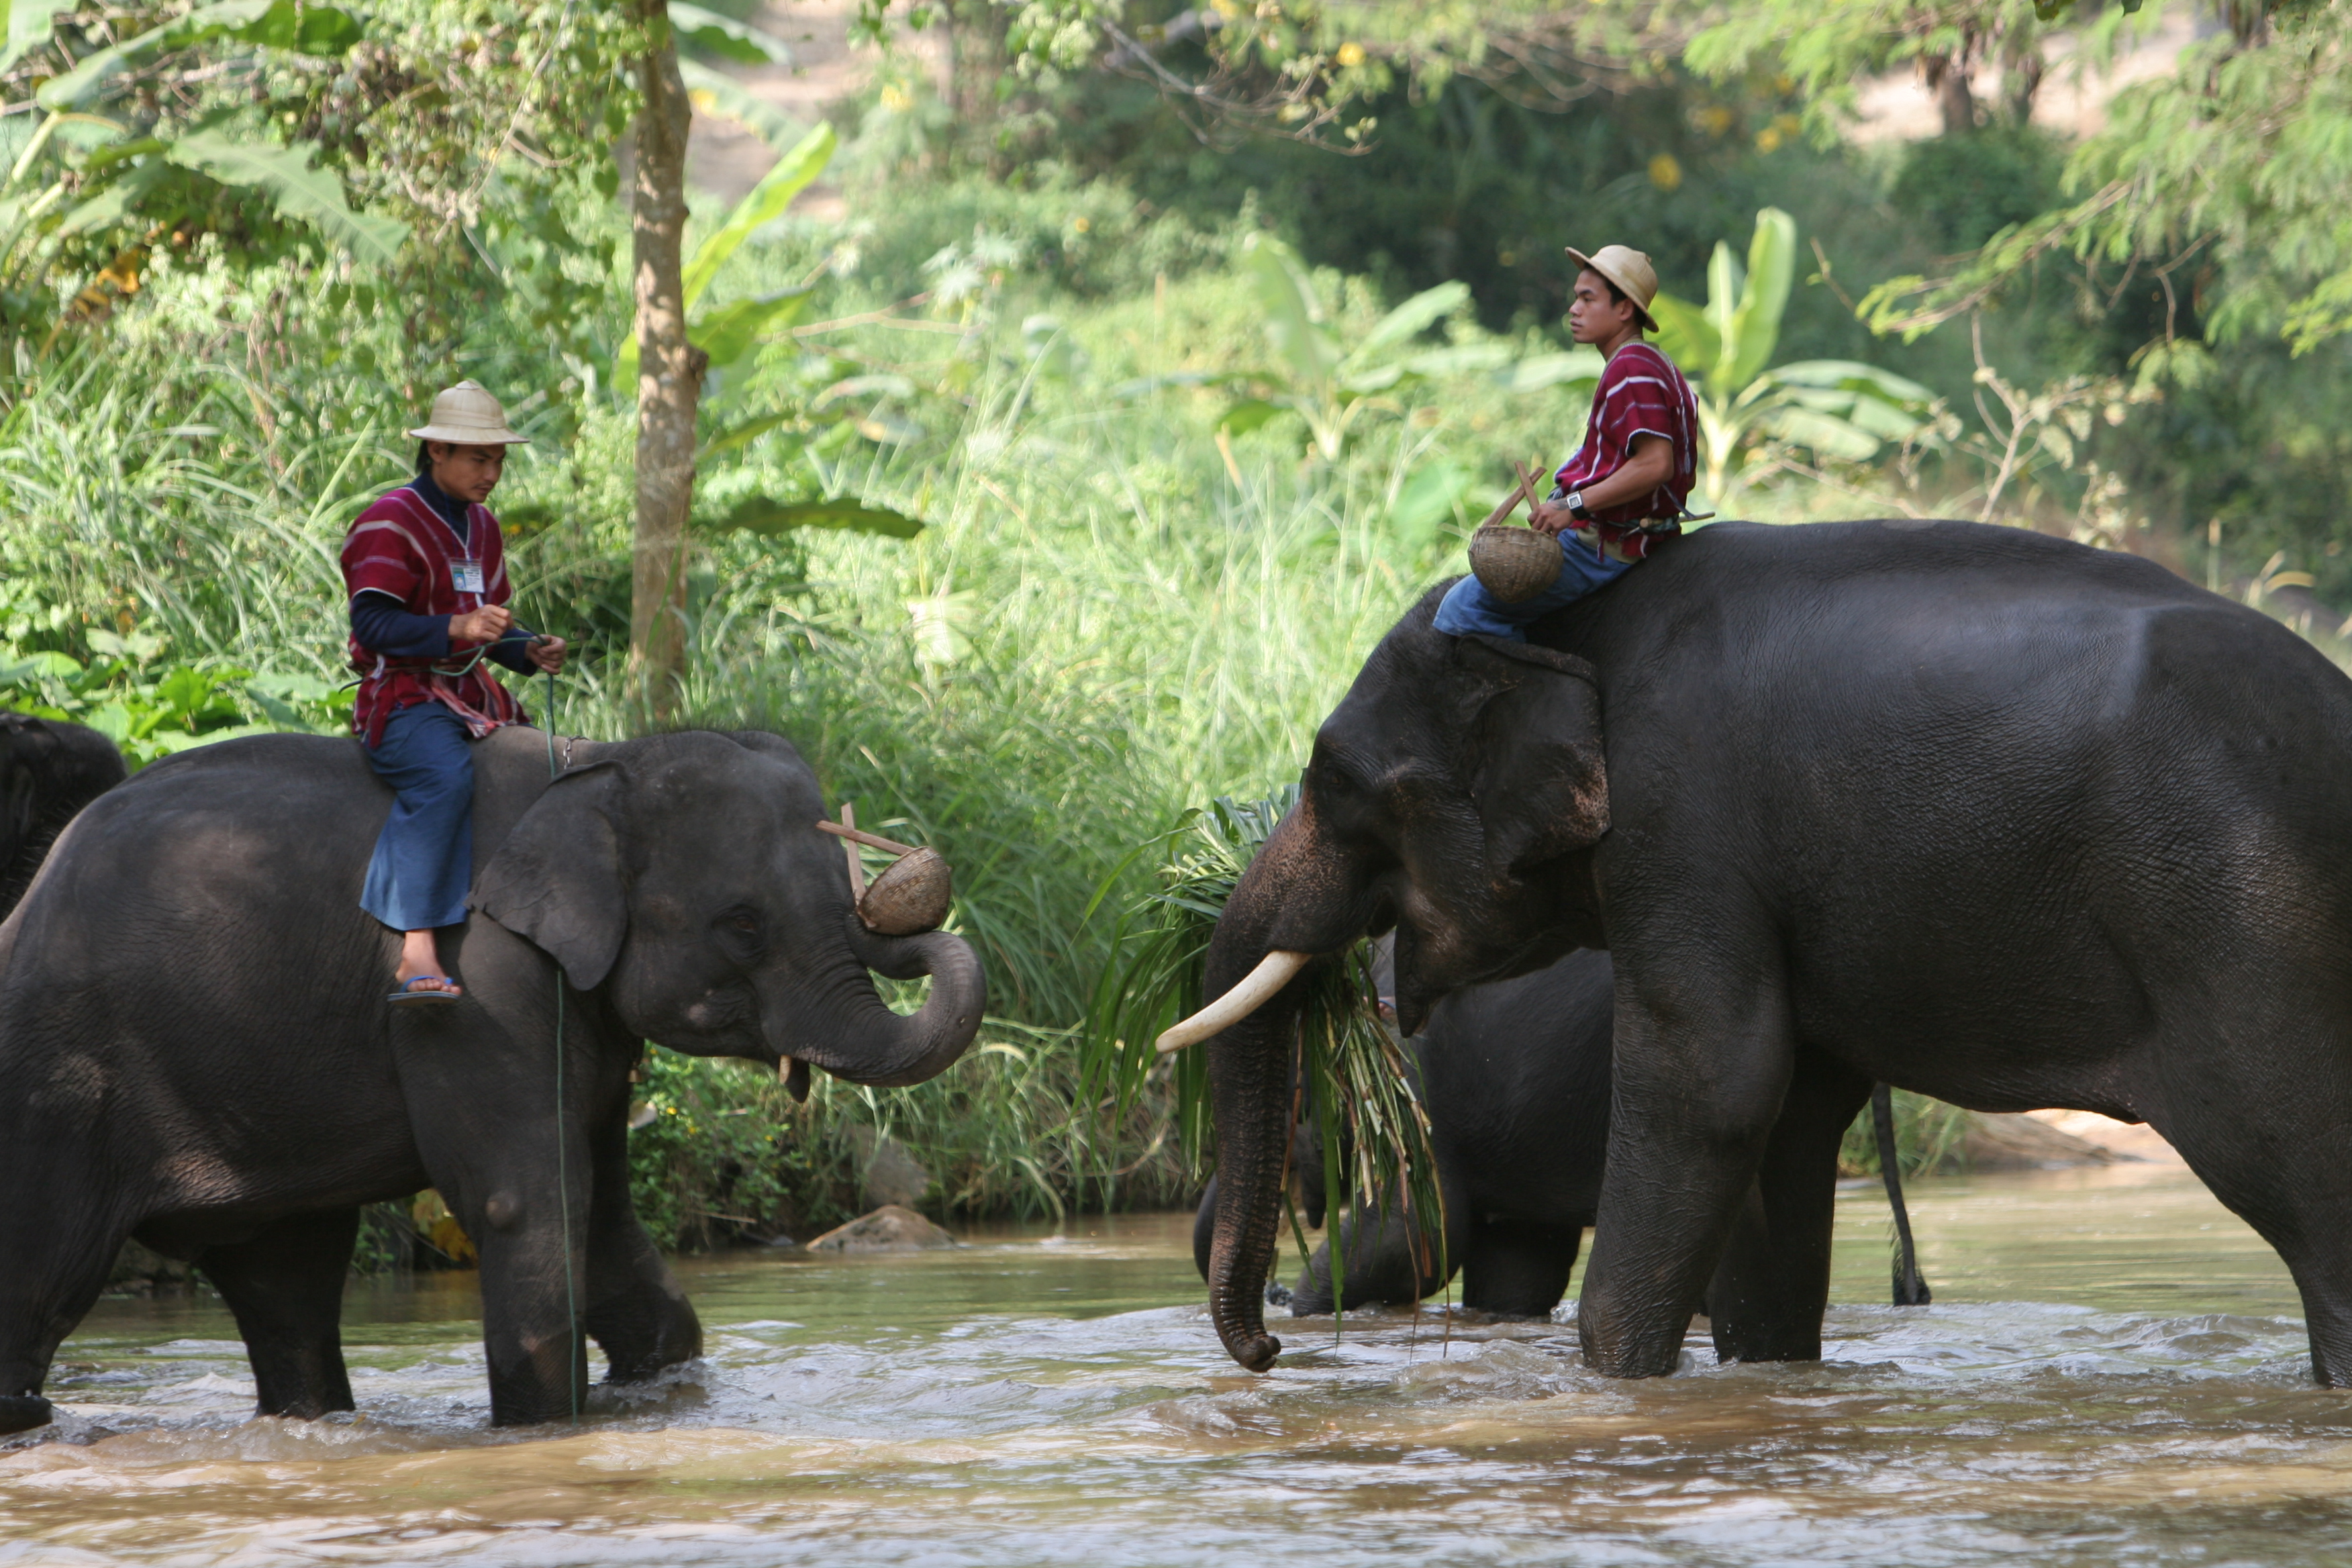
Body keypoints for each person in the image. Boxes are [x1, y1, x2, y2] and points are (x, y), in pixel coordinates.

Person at [340, 381, 566, 1006]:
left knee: (550, 767)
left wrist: (526, 650)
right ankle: (416, 946)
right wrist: (458, 628)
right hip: (405, 696)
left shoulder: (484, 528)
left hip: (474, 693)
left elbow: (488, 632)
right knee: (442, 778)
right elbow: (373, 625)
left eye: (498, 459)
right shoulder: (389, 521)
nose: (492, 473)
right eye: (477, 458)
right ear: (436, 450)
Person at [1434, 243, 1701, 641]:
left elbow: (1655, 464)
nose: (1573, 310)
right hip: (1631, 531)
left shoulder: (1630, 368)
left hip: (1613, 543)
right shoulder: (1654, 362)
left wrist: (1572, 506)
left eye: (1587, 299)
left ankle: (1537, 700)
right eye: (1576, 298)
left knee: (1462, 609)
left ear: (1625, 309)